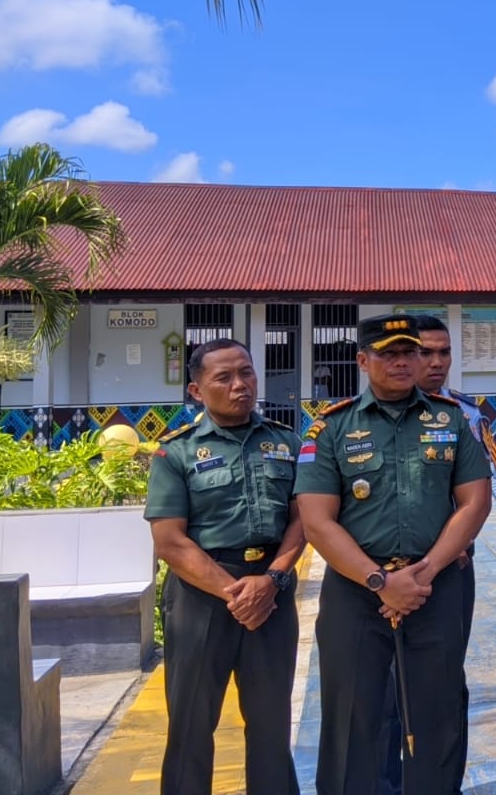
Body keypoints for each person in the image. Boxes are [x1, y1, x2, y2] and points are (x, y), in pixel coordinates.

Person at [295, 314, 492, 795]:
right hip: (357, 592)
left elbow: (475, 502)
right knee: (352, 714)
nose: (403, 362)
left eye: (410, 353)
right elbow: (317, 520)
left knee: (437, 711)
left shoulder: (450, 419)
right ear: (363, 361)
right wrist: (380, 581)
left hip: (434, 587)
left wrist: (425, 572)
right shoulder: (332, 428)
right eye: (388, 354)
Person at [144, 338, 305, 795]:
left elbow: (303, 519)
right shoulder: (176, 453)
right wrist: (237, 592)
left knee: (272, 724)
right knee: (192, 724)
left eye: (246, 373)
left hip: (272, 591)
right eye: (224, 377)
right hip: (201, 596)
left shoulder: (286, 442)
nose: (240, 385)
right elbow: (170, 541)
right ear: (197, 391)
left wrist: (271, 580)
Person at [378, 314, 495, 795]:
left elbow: (476, 497)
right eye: (424, 352)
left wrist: (435, 562)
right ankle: (388, 783)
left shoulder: (465, 414)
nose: (435, 362)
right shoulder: (361, 419)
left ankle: (444, 783)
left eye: (444, 352)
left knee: (444, 682)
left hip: (449, 570)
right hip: (382, 577)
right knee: (385, 686)